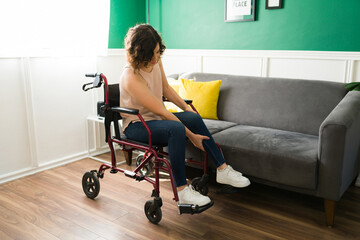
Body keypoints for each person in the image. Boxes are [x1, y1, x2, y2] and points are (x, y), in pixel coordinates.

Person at [120, 24, 250, 207]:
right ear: (140, 53)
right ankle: (182, 191)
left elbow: (166, 88)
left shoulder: (154, 59)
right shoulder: (130, 77)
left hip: (156, 120)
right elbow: (163, 112)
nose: (156, 59)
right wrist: (192, 136)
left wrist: (187, 109)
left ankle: (222, 169)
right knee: (176, 129)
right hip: (138, 125)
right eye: (152, 55)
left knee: (194, 118)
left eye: (158, 53)